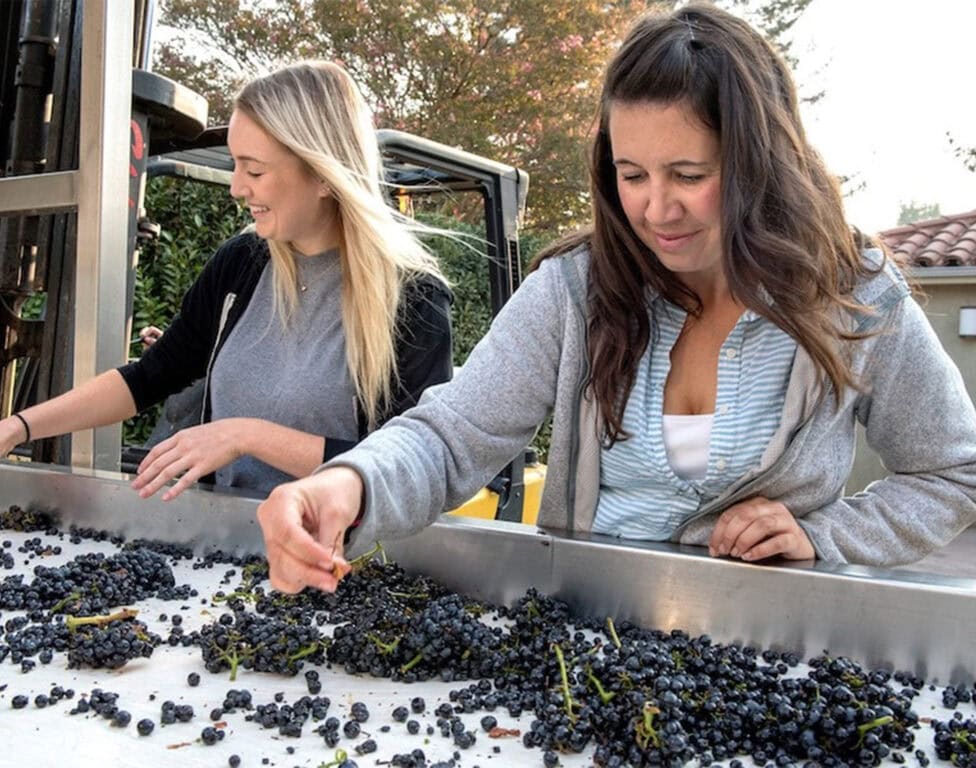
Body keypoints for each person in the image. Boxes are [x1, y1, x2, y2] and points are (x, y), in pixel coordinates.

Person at [253, 3, 976, 594]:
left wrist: (824, 538)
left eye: (688, 174)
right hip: (582, 658)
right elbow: (449, 437)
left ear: (762, 161)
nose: (656, 209)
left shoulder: (853, 291)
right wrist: (347, 483)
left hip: (762, 663)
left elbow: (953, 472)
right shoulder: (575, 290)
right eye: (632, 174)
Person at [0, 61, 453, 512]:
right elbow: (148, 377)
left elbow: (409, 469)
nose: (236, 187)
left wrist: (248, 436)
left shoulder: (414, 299)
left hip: (337, 566)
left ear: (324, 174)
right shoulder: (242, 262)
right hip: (223, 553)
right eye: (235, 164)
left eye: (254, 169)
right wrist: (7, 431)